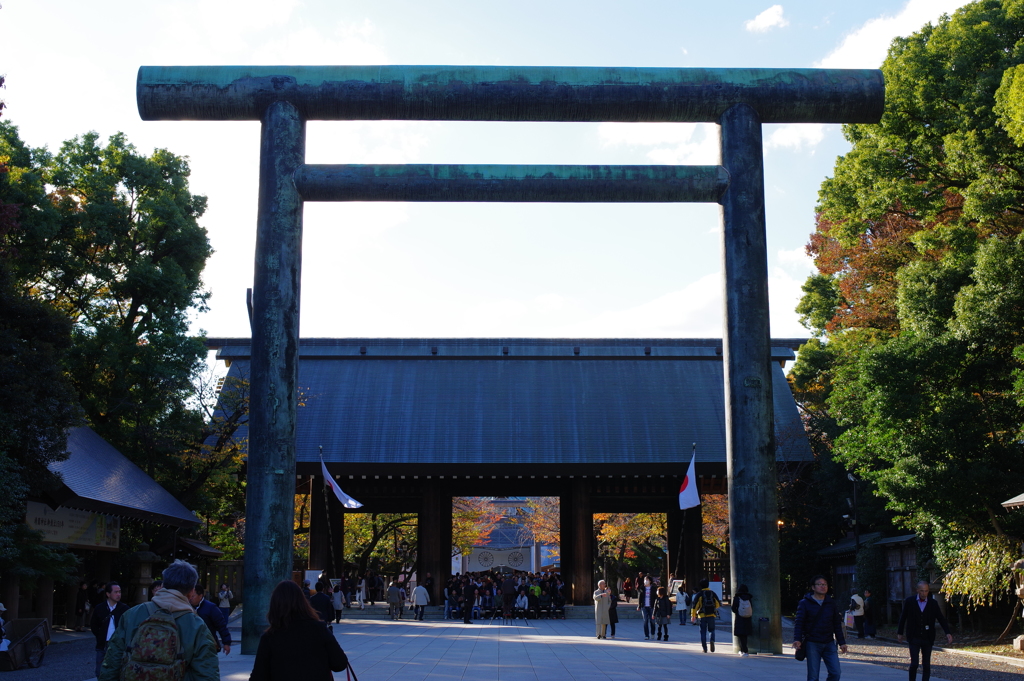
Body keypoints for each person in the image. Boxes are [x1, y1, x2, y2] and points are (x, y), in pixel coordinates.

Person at [98, 560, 218, 681]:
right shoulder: (196, 625)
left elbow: (112, 662)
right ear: (192, 591)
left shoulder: (132, 614)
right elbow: (207, 674)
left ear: (163, 585)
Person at [249, 580, 348, 681]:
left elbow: (258, 676)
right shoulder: (319, 629)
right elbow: (340, 663)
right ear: (303, 602)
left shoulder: (270, 637)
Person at [793, 574, 847, 681]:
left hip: (829, 642)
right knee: (813, 676)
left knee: (836, 673)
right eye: (819, 584)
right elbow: (799, 623)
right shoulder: (804, 603)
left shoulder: (831, 603)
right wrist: (797, 639)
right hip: (812, 643)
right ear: (813, 587)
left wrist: (842, 642)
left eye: (825, 584)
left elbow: (837, 624)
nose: (823, 586)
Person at [897, 581, 952, 681]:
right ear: (917, 590)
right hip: (914, 636)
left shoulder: (933, 603)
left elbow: (941, 618)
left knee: (926, 664)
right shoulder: (910, 601)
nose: (924, 593)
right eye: (922, 591)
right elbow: (903, 617)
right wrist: (900, 633)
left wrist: (947, 632)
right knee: (914, 663)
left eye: (926, 591)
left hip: (927, 637)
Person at [91, 581, 128, 678]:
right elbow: (94, 625)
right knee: (100, 670)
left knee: (117, 669)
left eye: (119, 592)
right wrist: (100, 635)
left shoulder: (124, 609)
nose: (118, 594)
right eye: (116, 592)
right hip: (103, 643)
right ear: (108, 594)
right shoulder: (100, 608)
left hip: (118, 644)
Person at [190, 585, 232, 655]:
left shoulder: (211, 607)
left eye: (193, 596)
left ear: (200, 596)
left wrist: (226, 642)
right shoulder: (186, 607)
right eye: (189, 596)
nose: (190, 598)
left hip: (207, 644)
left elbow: (221, 625)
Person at [691, 579, 721, 653]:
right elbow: (718, 604)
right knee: (712, 630)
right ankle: (712, 640)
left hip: (702, 615)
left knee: (703, 632)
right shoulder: (712, 593)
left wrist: (693, 615)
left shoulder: (699, 594)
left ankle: (704, 648)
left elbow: (695, 606)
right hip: (711, 615)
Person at [731, 584, 754, 656]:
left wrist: (738, 612)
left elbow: (733, 608)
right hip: (747, 618)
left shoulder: (737, 598)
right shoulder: (749, 598)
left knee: (741, 635)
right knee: (745, 635)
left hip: (739, 617)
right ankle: (743, 650)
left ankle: (744, 651)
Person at [636, 575, 656, 640]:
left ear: (650, 581)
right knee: (645, 621)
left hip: (651, 606)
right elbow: (640, 597)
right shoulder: (642, 588)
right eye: (645, 580)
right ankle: (646, 635)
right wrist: (639, 605)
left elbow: (656, 598)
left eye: (647, 580)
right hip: (644, 607)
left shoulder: (653, 588)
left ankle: (652, 633)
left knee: (652, 621)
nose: (645, 581)